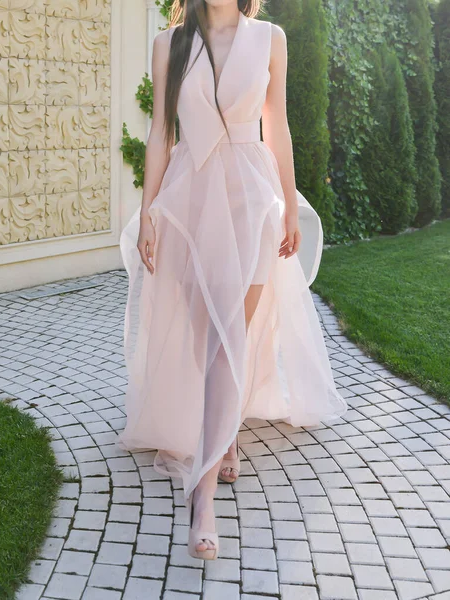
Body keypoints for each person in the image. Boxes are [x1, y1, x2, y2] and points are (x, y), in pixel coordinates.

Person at [118, 0, 348, 561]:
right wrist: (148, 212)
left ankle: (202, 496)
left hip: (250, 199)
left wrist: (290, 206)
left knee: (228, 336)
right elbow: (159, 137)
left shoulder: (270, 38)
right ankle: (228, 432)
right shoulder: (168, 45)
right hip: (190, 199)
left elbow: (279, 126)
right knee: (207, 333)